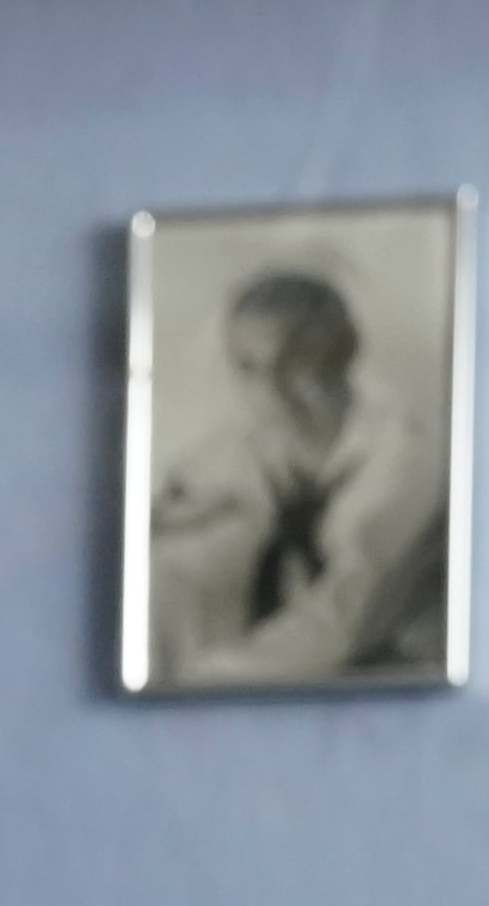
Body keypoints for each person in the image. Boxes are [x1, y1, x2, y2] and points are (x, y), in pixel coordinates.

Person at [146, 263, 449, 685]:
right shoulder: (243, 449)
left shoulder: (411, 456)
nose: (270, 389)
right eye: (249, 369)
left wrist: (204, 681)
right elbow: (157, 519)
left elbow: (350, 607)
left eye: (294, 364)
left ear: (345, 353)